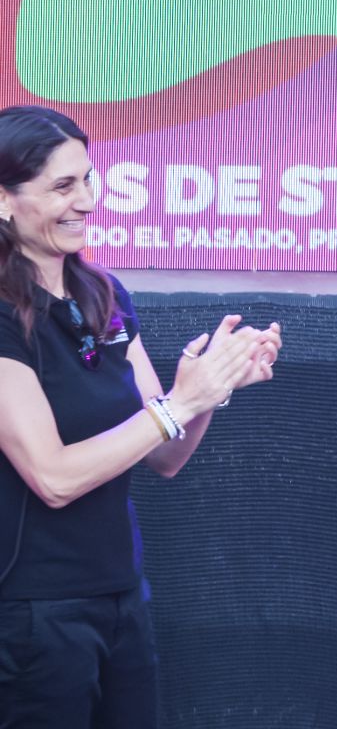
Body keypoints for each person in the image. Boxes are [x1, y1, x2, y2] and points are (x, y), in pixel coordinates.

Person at [0, 105, 280, 729]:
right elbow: (53, 477)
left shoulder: (103, 294)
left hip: (120, 598)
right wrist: (180, 403)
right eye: (61, 186)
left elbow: (164, 453)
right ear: (4, 199)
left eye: (88, 180)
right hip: (29, 614)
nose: (85, 201)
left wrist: (212, 387)